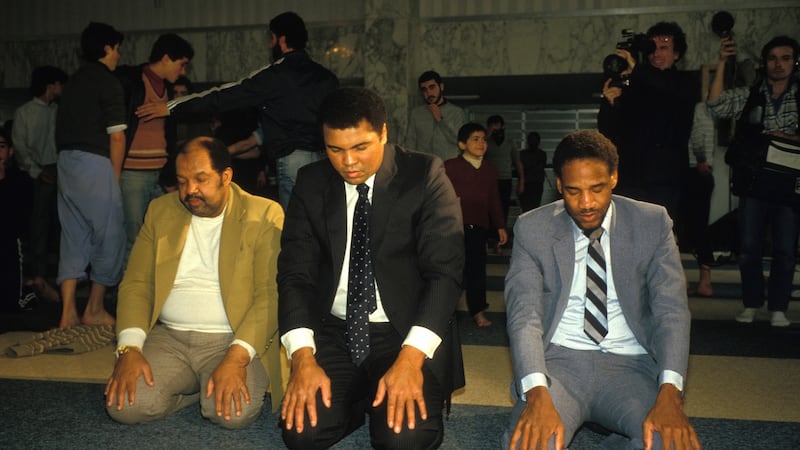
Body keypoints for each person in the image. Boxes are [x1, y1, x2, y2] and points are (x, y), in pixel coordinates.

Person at [278, 87, 465, 449]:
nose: (348, 162)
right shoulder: (311, 182)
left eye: (360, 146)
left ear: (383, 133)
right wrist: (302, 357)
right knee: (302, 434)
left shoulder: (425, 174)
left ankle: (374, 397)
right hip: (334, 330)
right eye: (335, 149)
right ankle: (358, 398)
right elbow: (294, 275)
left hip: (403, 333)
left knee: (403, 439)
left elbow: (445, 273)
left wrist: (411, 359)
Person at [503, 130, 700, 450]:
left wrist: (670, 393)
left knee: (668, 444)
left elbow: (671, 311)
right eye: (573, 191)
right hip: (558, 365)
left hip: (630, 364)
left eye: (596, 189)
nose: (586, 203)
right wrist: (537, 393)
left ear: (614, 177)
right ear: (558, 186)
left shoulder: (652, 222)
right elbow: (524, 316)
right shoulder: (532, 227)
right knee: (534, 445)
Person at [105, 136, 284, 428]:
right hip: (169, 337)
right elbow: (136, 283)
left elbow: (271, 294)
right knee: (123, 407)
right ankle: (198, 391)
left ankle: (204, 391)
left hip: (231, 339)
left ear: (226, 176)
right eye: (182, 181)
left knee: (231, 415)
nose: (190, 191)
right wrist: (130, 348)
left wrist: (237, 358)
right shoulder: (160, 210)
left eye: (201, 179)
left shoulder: (264, 213)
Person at [136, 11, 339, 210]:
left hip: (292, 160)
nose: (270, 44)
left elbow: (224, 96)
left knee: (297, 227)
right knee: (321, 222)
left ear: (280, 40)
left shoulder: (276, 75)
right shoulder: (327, 77)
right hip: (328, 160)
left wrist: (171, 107)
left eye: (271, 38)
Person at [707, 35, 800, 327]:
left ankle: (778, 308)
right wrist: (722, 62)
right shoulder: (751, 94)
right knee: (748, 248)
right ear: (765, 63)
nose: (779, 64)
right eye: (773, 58)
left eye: (785, 58)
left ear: (795, 62)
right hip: (754, 183)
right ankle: (750, 303)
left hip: (789, 186)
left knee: (785, 250)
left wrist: (791, 138)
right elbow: (716, 105)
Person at [55, 22, 127, 329]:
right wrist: (115, 177)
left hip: (66, 162)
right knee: (111, 235)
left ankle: (67, 312)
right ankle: (94, 308)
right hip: (95, 162)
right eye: (117, 49)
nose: (118, 56)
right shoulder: (107, 82)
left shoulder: (72, 82)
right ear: (108, 48)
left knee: (72, 235)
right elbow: (117, 137)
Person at [598, 21, 698, 221]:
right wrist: (610, 102)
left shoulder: (684, 83)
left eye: (664, 48)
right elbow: (609, 129)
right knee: (627, 236)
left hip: (665, 177)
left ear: (677, 54)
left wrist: (636, 69)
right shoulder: (635, 84)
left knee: (661, 236)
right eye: (652, 48)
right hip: (631, 175)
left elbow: (664, 90)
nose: (656, 54)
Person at [116, 33, 194, 260]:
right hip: (132, 173)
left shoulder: (169, 90)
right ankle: (129, 293)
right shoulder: (131, 81)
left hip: (161, 173)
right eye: (182, 65)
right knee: (134, 238)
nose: (183, 72)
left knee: (163, 235)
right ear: (167, 58)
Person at [12, 65, 68, 300]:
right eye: (59, 84)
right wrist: (37, 171)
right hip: (39, 172)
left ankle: (59, 275)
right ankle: (40, 275)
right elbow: (21, 146)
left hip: (60, 169)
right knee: (40, 225)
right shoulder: (25, 112)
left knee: (63, 224)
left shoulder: (57, 110)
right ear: (51, 85)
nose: (62, 89)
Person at [444, 122, 507, 328]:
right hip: (453, 229)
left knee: (477, 272)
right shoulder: (450, 167)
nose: (481, 143)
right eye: (475, 139)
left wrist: (500, 226)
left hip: (478, 228)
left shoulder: (489, 170)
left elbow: (494, 199)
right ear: (462, 144)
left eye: (483, 139)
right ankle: (444, 312)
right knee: (451, 271)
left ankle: (478, 310)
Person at [0, 127, 37, 313]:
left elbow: (20, 220)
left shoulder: (20, 181)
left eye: (1, 146)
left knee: (12, 304)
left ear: (10, 151)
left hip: (10, 243)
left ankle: (33, 286)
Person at [686, 102, 716, 297]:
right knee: (698, 226)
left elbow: (699, 133)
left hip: (693, 168)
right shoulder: (699, 107)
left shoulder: (695, 107)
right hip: (694, 168)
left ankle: (704, 281)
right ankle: (703, 280)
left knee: (696, 226)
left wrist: (701, 158)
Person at [404, 70, 466, 162]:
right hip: (424, 166)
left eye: (432, 87)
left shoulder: (457, 112)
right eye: (424, 89)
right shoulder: (416, 114)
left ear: (441, 87)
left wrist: (441, 120)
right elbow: (410, 142)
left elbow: (460, 142)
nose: (429, 93)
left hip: (448, 166)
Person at [484, 115, 524, 242]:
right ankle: (489, 236)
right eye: (493, 129)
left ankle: (500, 237)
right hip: (489, 180)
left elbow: (517, 162)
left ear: (503, 127)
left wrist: (521, 181)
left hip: (505, 179)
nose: (496, 131)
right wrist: (487, 136)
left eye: (498, 128)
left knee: (503, 208)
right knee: (488, 208)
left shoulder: (509, 141)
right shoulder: (485, 142)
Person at [517, 131, 548, 213]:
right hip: (528, 184)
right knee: (528, 209)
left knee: (533, 209)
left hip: (535, 184)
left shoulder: (541, 154)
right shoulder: (540, 154)